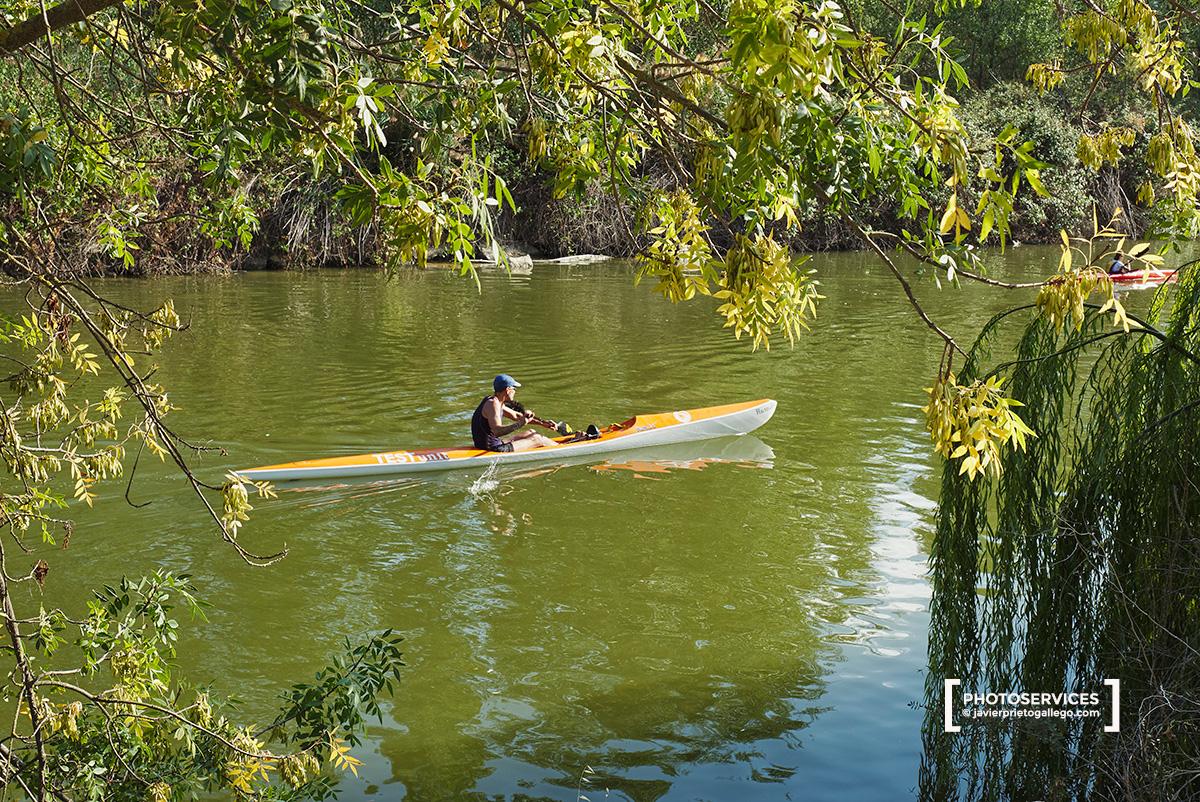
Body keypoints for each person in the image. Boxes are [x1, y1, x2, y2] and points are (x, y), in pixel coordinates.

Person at [470, 374, 557, 452]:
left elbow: (517, 416)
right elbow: (497, 431)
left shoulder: (494, 401)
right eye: (514, 389)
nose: (515, 392)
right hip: (493, 448)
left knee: (531, 432)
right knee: (537, 439)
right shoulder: (493, 404)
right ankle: (562, 448)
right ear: (508, 390)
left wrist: (543, 423)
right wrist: (520, 424)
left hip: (490, 444)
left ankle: (559, 446)